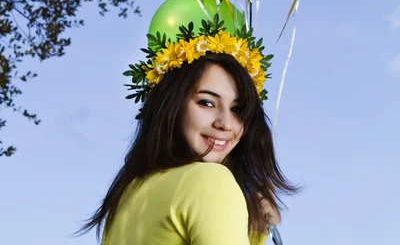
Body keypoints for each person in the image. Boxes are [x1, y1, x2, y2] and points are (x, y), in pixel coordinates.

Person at [77, 16, 296, 244]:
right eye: (207, 103)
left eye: (237, 109)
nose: (225, 123)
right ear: (173, 104)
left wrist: (256, 231)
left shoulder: (126, 196)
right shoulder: (209, 180)